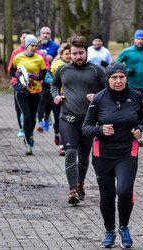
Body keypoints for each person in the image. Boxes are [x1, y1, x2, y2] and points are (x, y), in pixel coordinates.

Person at [82, 61, 143, 248]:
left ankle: (124, 228)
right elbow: (86, 127)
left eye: (122, 77)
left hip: (127, 152)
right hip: (103, 154)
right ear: (108, 79)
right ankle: (109, 231)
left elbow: (142, 117)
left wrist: (139, 128)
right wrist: (100, 130)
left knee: (124, 191)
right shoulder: (99, 99)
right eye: (114, 77)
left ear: (126, 78)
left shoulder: (136, 96)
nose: (118, 81)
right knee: (108, 195)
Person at [51, 35, 106, 203]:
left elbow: (107, 91)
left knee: (83, 156)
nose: (78, 57)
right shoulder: (63, 70)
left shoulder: (96, 71)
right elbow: (54, 85)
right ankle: (72, 190)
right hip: (67, 118)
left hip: (88, 122)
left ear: (86, 52)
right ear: (70, 53)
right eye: (74, 54)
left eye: (81, 53)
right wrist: (56, 96)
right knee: (70, 153)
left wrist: (97, 97)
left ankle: (80, 183)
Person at [116, 29, 143, 146]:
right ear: (134, 39)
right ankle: (125, 134)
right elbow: (116, 64)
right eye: (138, 39)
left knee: (140, 112)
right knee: (129, 111)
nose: (140, 41)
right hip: (130, 86)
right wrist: (128, 70)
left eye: (142, 39)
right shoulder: (127, 51)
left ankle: (137, 135)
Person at [9, 34, 47, 155]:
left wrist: (38, 76)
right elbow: (11, 70)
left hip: (35, 91)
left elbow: (44, 74)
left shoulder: (40, 58)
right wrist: (17, 74)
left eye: (36, 46)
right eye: (32, 45)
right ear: (26, 45)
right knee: (26, 117)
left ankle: (30, 134)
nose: (34, 48)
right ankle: (27, 143)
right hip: (21, 91)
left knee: (32, 117)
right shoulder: (18, 56)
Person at [44, 43, 71, 156]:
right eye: (67, 54)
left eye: (71, 53)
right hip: (56, 98)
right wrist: (57, 83)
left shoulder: (75, 65)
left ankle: (63, 145)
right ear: (61, 54)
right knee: (57, 122)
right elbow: (46, 78)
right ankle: (56, 133)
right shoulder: (55, 65)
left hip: (69, 99)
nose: (69, 56)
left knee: (66, 121)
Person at [37, 26, 60, 132]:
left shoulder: (55, 46)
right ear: (40, 34)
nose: (45, 35)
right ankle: (40, 120)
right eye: (43, 33)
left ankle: (46, 119)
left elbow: (61, 58)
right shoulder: (36, 45)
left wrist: (53, 59)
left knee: (49, 100)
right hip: (39, 77)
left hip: (51, 77)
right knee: (41, 99)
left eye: (47, 33)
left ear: (50, 35)